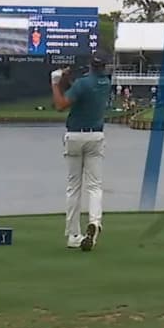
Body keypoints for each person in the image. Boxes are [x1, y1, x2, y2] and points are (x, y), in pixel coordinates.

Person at [51, 51, 113, 251]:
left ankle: (73, 235)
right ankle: (95, 222)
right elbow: (79, 93)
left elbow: (61, 104)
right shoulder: (106, 83)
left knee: (74, 187)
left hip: (75, 136)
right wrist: (67, 82)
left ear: (90, 65)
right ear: (104, 66)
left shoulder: (82, 84)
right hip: (96, 136)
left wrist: (55, 83)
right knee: (94, 186)